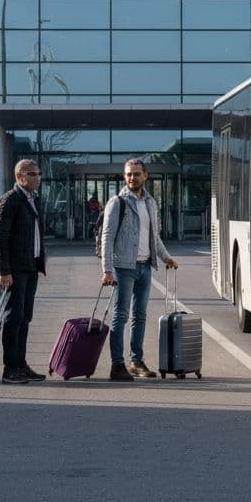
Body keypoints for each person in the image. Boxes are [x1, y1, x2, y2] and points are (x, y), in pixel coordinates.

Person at [100, 158, 178, 382]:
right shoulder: (117, 202)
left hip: (145, 266)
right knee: (120, 316)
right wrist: (107, 270)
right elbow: (107, 237)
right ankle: (117, 365)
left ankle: (136, 361)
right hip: (123, 267)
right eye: (128, 174)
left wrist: (166, 257)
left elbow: (155, 237)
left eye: (136, 174)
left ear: (146, 176)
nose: (132, 178)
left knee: (140, 316)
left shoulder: (151, 203)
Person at [0, 159, 48, 384]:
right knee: (13, 318)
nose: (38, 178)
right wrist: (4, 271)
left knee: (25, 318)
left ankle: (21, 364)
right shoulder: (10, 200)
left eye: (39, 173)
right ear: (20, 177)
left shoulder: (31, 200)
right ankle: (10, 368)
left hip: (31, 267)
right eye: (33, 174)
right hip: (15, 269)